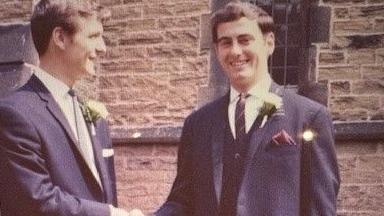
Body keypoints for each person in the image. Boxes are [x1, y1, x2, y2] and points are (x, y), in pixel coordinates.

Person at [156, 1, 340, 216]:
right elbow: (182, 201)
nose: (235, 51)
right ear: (217, 50)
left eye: (244, 40)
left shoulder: (310, 117)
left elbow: (320, 209)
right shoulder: (197, 124)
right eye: (226, 43)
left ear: (269, 43)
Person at [0, 0, 143, 215]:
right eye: (94, 37)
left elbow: (104, 192)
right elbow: (35, 200)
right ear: (60, 38)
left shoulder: (93, 114)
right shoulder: (14, 113)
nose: (102, 48)